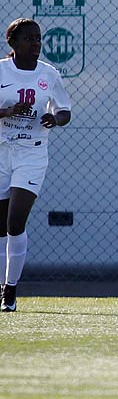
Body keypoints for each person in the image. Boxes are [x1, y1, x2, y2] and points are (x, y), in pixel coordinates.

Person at [1, 19, 73, 311]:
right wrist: (6, 111)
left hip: (31, 153)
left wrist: (54, 119)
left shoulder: (49, 74)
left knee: (15, 222)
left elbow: (65, 110)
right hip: (2, 150)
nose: (36, 44)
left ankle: (11, 292)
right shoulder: (1, 70)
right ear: (13, 43)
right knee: (0, 226)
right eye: (29, 39)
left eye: (38, 39)